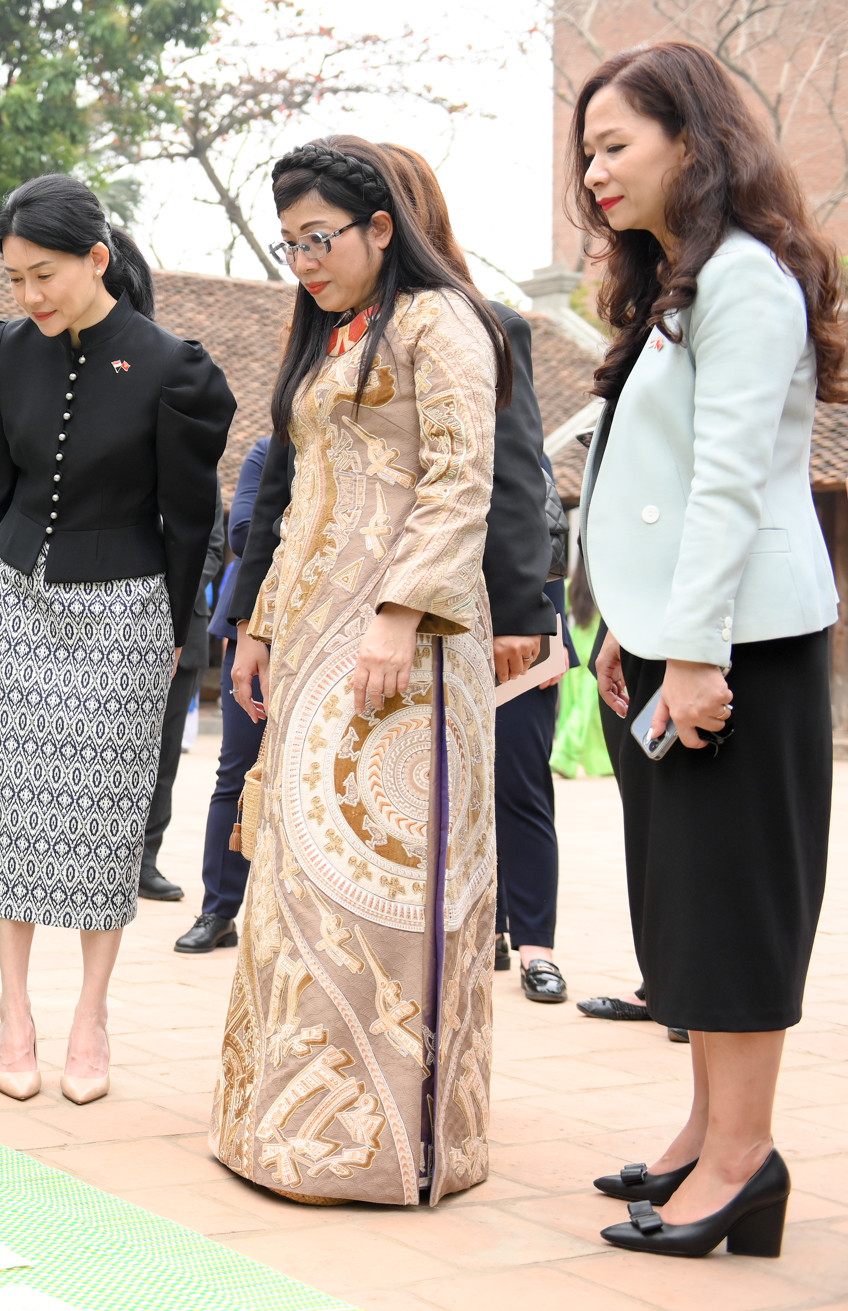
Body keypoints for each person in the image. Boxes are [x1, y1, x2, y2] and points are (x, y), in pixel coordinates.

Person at [570, 41, 843, 1257]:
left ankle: (739, 1159)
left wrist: (691, 654)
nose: (592, 175)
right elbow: (657, 488)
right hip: (684, 639)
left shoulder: (743, 278)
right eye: (584, 152)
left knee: (734, 907)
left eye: (613, 146)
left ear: (692, 139)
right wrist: (636, 628)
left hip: (741, 648)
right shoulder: (685, 278)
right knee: (686, 900)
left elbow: (728, 481)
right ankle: (705, 1134)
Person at [212, 137, 511, 1205]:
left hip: (407, 652)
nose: (302, 258)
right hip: (310, 642)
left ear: (381, 229)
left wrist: (396, 613)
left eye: (319, 237)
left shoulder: (441, 324)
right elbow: (295, 497)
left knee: (386, 886)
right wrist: (254, 622)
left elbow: (456, 479)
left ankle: (385, 1147)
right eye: (287, 242)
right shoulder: (330, 337)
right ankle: (286, 1131)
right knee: (301, 880)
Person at [0, 173, 235, 1106]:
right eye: (14, 279)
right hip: (17, 601)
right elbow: (3, 479)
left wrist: (176, 629)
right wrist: (15, 556)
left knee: (106, 813)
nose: (30, 297)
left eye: (44, 275)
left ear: (97, 258)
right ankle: (12, 1009)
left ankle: (90, 1011)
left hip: (125, 607)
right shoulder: (2, 356)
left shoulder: (173, 368)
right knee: (20, 807)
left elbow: (188, 518)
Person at [379, 141, 571, 1006]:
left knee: (519, 777)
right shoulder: (346, 329)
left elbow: (519, 472)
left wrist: (526, 611)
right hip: (395, 604)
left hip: (499, 605)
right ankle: (466, 931)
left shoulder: (490, 323)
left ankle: (533, 939)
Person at [175, 435, 270, 953]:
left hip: (346, 627)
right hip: (257, 620)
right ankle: (219, 909)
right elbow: (244, 528)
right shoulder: (268, 450)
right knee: (236, 770)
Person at [139, 510, 225, 902]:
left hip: (184, 630)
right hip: (118, 623)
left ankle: (144, 862)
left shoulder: (197, 467)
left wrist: (168, 588)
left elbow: (213, 549)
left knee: (164, 758)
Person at [551, 560, 613, 781]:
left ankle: (582, 759)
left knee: (574, 706)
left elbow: (554, 609)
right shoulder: (604, 587)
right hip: (599, 652)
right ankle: (565, 757)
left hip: (578, 650)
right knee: (590, 711)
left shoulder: (572, 587)